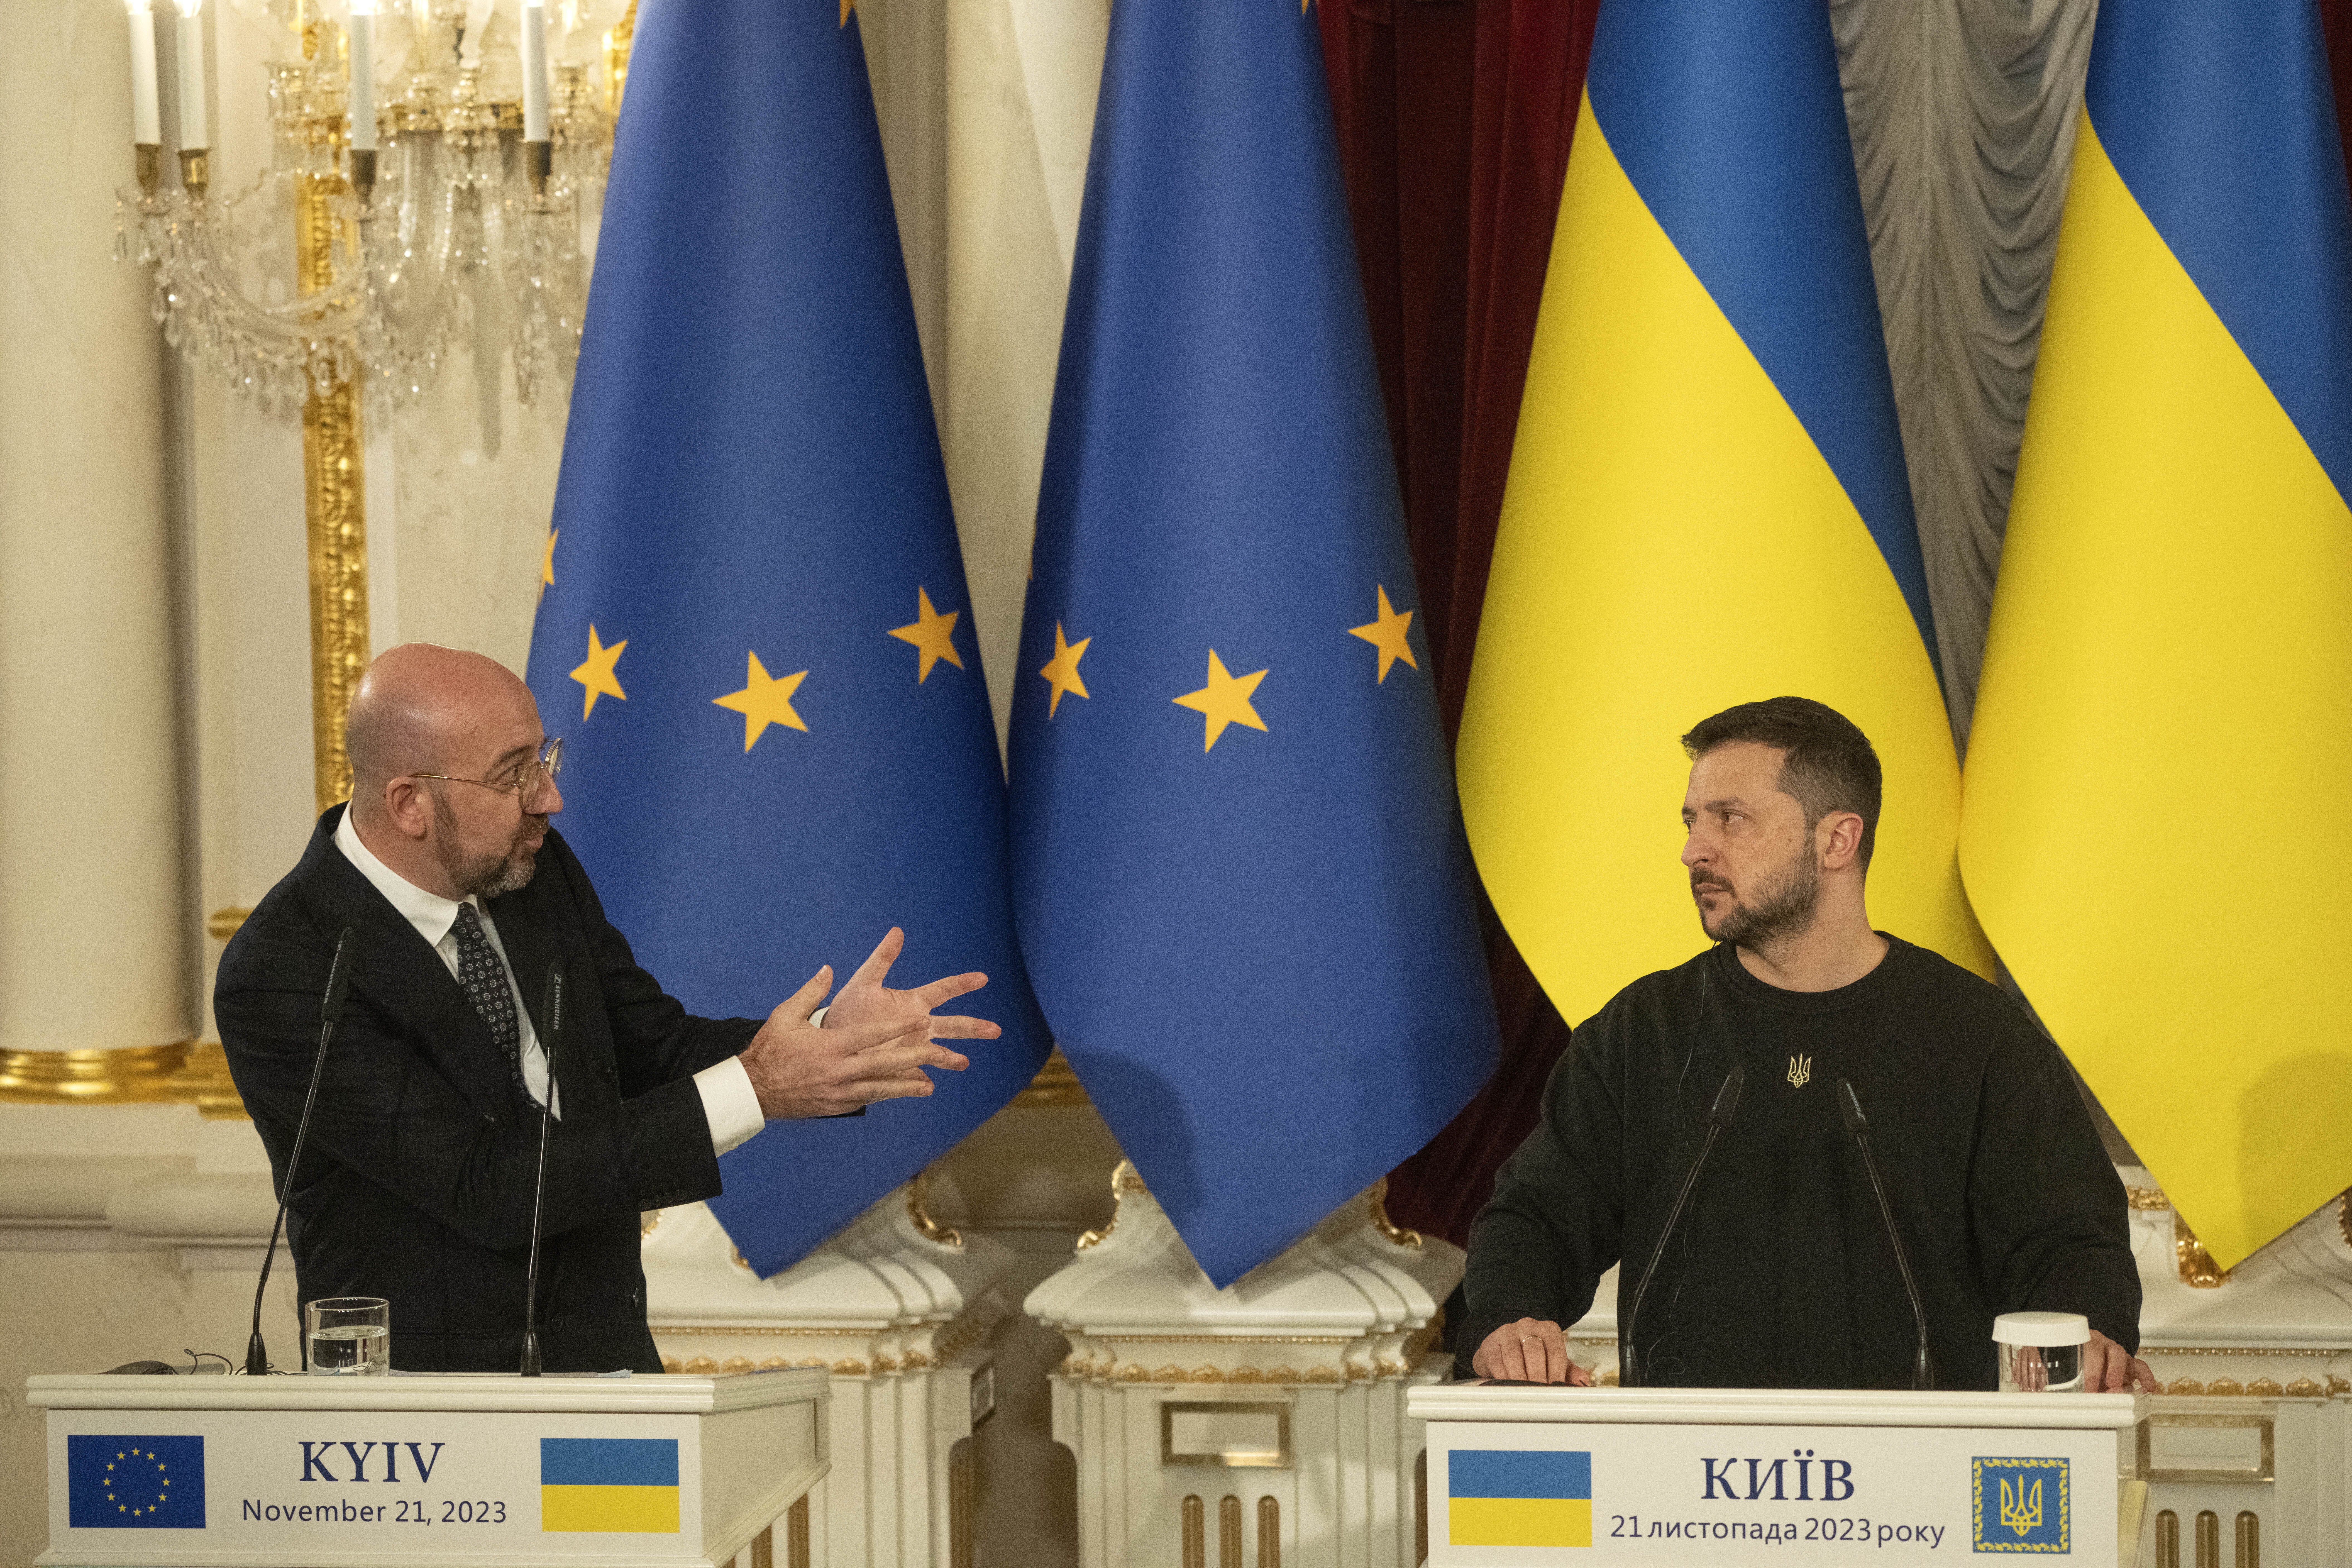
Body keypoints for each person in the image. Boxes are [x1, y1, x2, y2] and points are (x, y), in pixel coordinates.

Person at [215, 644, 998, 1373]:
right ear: (410, 802)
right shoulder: (286, 970)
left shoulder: (531, 872)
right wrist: (759, 1087)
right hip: (431, 1411)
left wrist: (829, 1042)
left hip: (608, 1364)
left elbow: (649, 1045)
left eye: (543, 759)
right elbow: (484, 1185)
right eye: (513, 774)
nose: (549, 797)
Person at [1457, 697, 2155, 1393]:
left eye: (1731, 818)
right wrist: (1507, 1319)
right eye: (1692, 821)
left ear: (1837, 841)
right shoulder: (1642, 1032)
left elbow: (2068, 1245)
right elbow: (1533, 1220)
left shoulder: (1978, 1036)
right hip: (1684, 1453)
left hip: (1925, 1453)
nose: (1694, 850)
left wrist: (2091, 1334)